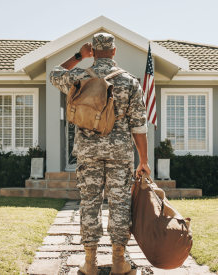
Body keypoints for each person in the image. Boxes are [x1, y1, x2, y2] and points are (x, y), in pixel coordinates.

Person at [50, 33, 151, 275]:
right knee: (120, 204)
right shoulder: (129, 81)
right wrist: (144, 161)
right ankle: (119, 262)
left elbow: (54, 74)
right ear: (114, 52)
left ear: (92, 51)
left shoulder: (78, 76)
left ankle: (90, 263)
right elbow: (138, 124)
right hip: (120, 154)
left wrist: (78, 57)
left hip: (88, 153)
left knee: (89, 204)